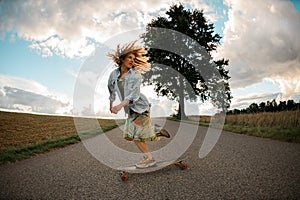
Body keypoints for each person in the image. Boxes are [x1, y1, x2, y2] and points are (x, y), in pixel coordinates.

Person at [107, 41, 170, 168]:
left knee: (136, 136)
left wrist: (119, 106)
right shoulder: (114, 74)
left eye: (134, 58)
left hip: (141, 107)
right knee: (129, 136)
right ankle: (156, 131)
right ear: (122, 58)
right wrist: (111, 105)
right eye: (129, 57)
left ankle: (149, 158)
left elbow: (133, 97)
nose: (132, 60)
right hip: (130, 109)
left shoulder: (135, 75)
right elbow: (111, 90)